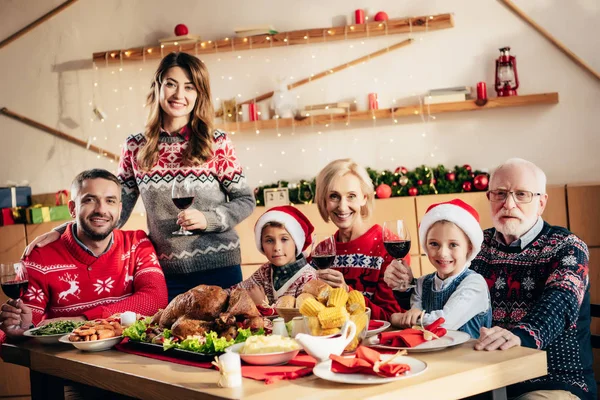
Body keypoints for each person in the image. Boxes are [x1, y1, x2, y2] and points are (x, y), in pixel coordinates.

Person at [25, 52, 255, 301]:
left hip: (220, 268)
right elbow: (114, 209)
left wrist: (208, 219)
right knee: (170, 339)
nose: (179, 95)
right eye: (171, 84)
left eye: (189, 87)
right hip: (167, 274)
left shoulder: (216, 142)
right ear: (157, 87)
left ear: (199, 94)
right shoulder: (135, 147)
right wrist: (62, 232)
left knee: (227, 338)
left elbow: (245, 200)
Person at [384, 158, 595, 400]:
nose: (509, 204)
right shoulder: (476, 246)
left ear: (541, 202)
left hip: (552, 381)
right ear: (489, 198)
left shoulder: (566, 247)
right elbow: (442, 301)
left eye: (522, 194)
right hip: (480, 379)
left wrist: (521, 335)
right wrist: (405, 288)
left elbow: (561, 302)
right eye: (500, 194)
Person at [0, 169, 168, 339]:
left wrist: (84, 320)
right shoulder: (38, 257)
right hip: (65, 361)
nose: (101, 209)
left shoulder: (137, 244)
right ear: (72, 209)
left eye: (110, 201)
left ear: (119, 209)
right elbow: (27, 326)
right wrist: (20, 328)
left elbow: (155, 299)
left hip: (127, 359)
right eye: (90, 200)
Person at [313, 158, 405, 321]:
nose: (342, 206)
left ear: (364, 198)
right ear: (324, 201)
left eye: (351, 196)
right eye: (334, 196)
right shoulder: (321, 251)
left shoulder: (389, 247)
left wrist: (346, 292)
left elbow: (392, 316)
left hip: (375, 343)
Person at [390, 199, 491, 338]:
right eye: (434, 243)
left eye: (453, 245)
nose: (442, 253)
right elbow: (414, 320)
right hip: (433, 356)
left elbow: (443, 323)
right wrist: (410, 318)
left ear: (469, 247)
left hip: (469, 357)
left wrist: (397, 319)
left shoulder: (474, 283)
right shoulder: (422, 283)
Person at [231, 205, 317, 305]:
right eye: (269, 240)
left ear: (296, 243)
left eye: (284, 239)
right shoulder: (265, 271)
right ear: (261, 245)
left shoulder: (308, 278)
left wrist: (260, 304)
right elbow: (235, 291)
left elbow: (296, 317)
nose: (276, 247)